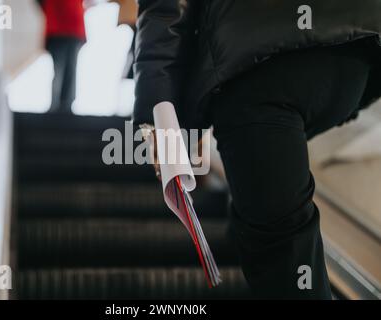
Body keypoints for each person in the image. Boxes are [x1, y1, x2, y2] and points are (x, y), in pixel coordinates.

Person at [133, 0, 381, 299]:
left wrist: (158, 113)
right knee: (269, 217)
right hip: (356, 54)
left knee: (284, 259)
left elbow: (165, 8)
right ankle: (243, 217)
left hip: (259, 63)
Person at [37, 0, 86, 114]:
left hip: (65, 26)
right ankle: (62, 104)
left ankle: (63, 105)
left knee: (65, 68)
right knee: (66, 68)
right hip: (62, 26)